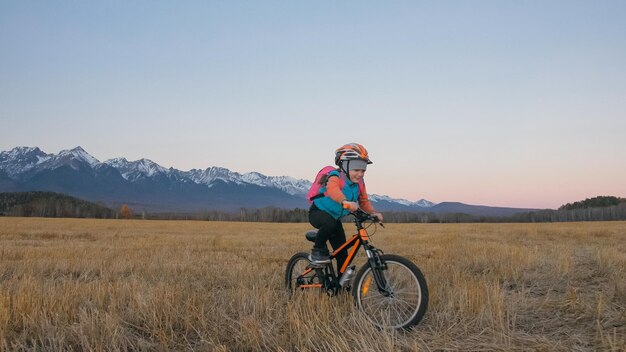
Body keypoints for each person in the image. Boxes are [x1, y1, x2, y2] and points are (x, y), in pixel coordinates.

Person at [309, 143, 384, 266]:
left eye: (363, 171)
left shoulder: (359, 183)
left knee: (343, 255)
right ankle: (317, 250)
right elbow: (333, 190)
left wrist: (373, 213)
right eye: (356, 170)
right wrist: (344, 201)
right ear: (344, 166)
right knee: (330, 224)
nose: (360, 174)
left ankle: (341, 284)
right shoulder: (335, 176)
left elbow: (364, 201)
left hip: (335, 219)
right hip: (318, 212)